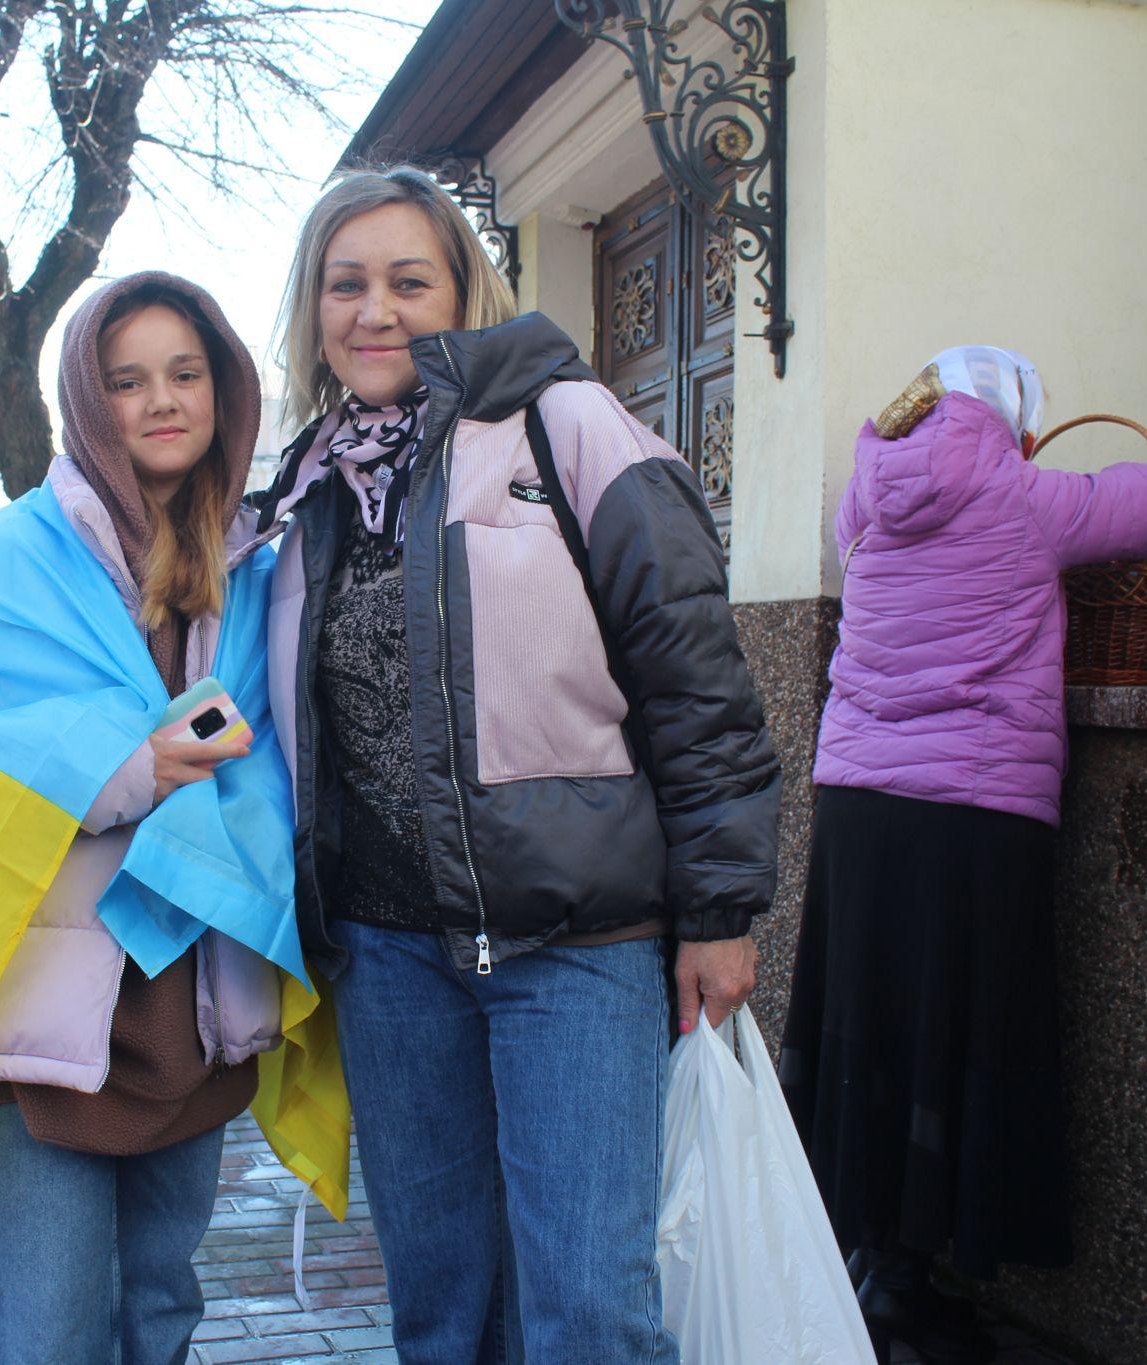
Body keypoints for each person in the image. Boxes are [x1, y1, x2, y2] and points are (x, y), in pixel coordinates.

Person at [249, 167, 780, 1362]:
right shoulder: (304, 492)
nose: (372, 310)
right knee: (443, 1315)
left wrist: (718, 913)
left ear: (462, 294)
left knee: (588, 1310)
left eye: (406, 280)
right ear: (312, 309)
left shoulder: (565, 424)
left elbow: (696, 684)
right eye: (345, 284)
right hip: (389, 961)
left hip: (573, 947)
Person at [0, 272, 326, 1365]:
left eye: (185, 374)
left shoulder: (257, 566)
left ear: (224, 390)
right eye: (125, 380)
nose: (161, 400)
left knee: (158, 1316)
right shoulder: (10, 563)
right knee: (47, 1333)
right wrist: (127, 765)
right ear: (88, 403)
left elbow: (285, 757)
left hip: (191, 1005)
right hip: (41, 1022)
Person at [780, 348, 1147, 1364]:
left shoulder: (867, 493)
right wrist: (1036, 455)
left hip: (855, 809)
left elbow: (847, 544)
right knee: (956, 1034)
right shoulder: (1022, 496)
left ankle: (875, 1260)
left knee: (867, 1027)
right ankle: (910, 1280)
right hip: (969, 815)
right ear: (1008, 418)